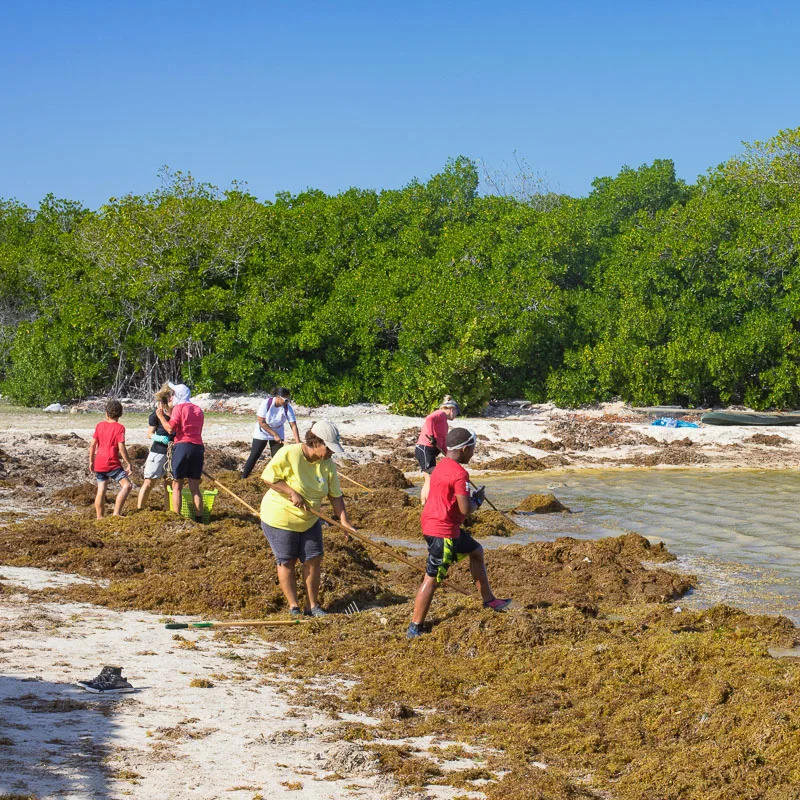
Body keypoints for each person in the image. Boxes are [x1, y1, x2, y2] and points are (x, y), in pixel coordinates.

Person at [407, 427, 511, 639]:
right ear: (464, 449)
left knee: (476, 551)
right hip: (442, 531)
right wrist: (478, 500)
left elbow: (452, 499)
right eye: (473, 449)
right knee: (432, 578)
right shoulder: (459, 473)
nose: (473, 453)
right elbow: (465, 509)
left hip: (439, 525)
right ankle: (415, 627)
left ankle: (489, 600)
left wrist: (469, 497)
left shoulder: (441, 466)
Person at [259, 420, 356, 617]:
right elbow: (268, 477)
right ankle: (294, 607)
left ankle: (312, 606)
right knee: (287, 561)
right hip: (280, 518)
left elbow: (335, 495)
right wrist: (291, 492)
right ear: (316, 442)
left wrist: (344, 521)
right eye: (328, 448)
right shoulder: (290, 453)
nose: (331, 453)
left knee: (314, 559)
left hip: (310, 520)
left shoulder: (327, 463)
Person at [156, 382, 205, 521]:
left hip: (183, 446)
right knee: (194, 487)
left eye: (172, 394)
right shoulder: (198, 409)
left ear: (177, 396)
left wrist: (160, 416)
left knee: (177, 485)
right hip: (197, 447)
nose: (171, 397)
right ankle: (199, 518)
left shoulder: (179, 408)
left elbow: (171, 429)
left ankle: (176, 518)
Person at [241, 388, 301, 479]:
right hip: (263, 431)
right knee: (254, 455)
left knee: (277, 457)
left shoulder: (287, 407)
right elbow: (262, 422)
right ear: (278, 397)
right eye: (285, 400)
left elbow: (293, 426)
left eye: (289, 400)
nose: (287, 402)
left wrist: (298, 443)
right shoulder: (266, 403)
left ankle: (276, 478)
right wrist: (274, 435)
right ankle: (243, 477)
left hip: (278, 430)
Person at [89, 399, 132, 519]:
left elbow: (92, 445)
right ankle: (116, 513)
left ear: (106, 413)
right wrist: (128, 463)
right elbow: (122, 448)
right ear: (120, 414)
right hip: (112, 463)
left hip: (99, 462)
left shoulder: (99, 425)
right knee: (127, 486)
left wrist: (91, 461)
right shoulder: (120, 428)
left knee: (101, 489)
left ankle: (99, 517)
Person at [415, 396, 460, 505]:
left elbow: (443, 441)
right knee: (430, 477)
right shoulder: (440, 413)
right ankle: (425, 503)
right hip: (425, 448)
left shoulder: (445, 423)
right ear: (451, 410)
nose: (456, 415)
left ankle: (425, 503)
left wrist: (449, 456)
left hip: (432, 450)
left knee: (429, 478)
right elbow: (429, 419)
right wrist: (431, 436)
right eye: (456, 412)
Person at [137, 384, 174, 511]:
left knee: (169, 484)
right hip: (158, 452)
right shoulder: (155, 415)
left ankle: (168, 510)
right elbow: (149, 434)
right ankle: (139, 509)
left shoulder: (177, 413)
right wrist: (159, 438)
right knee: (148, 483)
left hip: (173, 453)